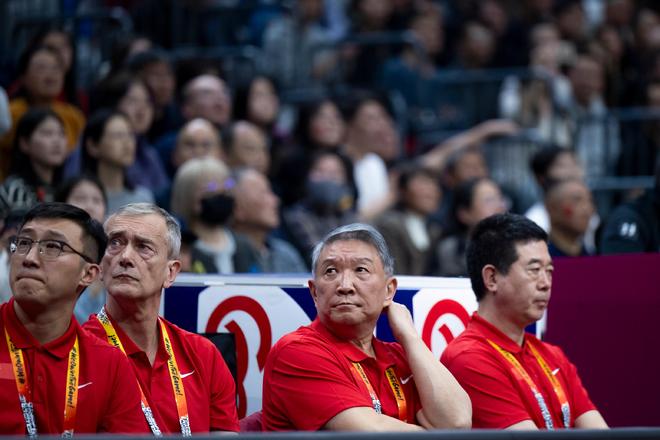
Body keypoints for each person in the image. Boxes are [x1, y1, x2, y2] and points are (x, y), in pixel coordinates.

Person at [262, 223, 472, 431]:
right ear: (314, 292)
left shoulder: (399, 355)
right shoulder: (297, 351)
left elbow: (457, 422)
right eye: (331, 271)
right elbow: (370, 435)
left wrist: (410, 337)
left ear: (388, 291)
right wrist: (435, 434)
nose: (345, 286)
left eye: (361, 269)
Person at [82, 203, 240, 434]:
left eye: (143, 247)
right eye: (115, 243)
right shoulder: (77, 354)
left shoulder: (205, 356)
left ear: (171, 272)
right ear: (99, 265)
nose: (125, 257)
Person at [441, 213, 608, 430]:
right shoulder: (469, 358)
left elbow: (601, 435)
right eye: (534, 270)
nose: (546, 283)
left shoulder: (553, 355)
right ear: (492, 278)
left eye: (549, 271)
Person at [0, 202, 148, 434]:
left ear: (88, 274)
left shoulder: (110, 366)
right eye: (24, 243)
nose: (29, 258)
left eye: (53, 246)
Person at [231, 168, 307, 273]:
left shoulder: (285, 254)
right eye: (263, 193)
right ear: (237, 208)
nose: (276, 201)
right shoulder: (225, 255)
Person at [544, 178, 595, 257]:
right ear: (552, 208)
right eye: (577, 200)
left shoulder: (591, 256)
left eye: (590, 200)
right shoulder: (542, 257)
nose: (587, 208)